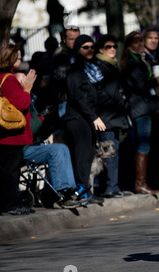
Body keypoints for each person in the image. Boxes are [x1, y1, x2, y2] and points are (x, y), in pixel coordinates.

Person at [63, 34, 104, 205]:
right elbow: (76, 97)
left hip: (87, 119)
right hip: (77, 119)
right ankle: (81, 193)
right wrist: (93, 116)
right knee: (81, 157)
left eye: (92, 47)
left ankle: (86, 191)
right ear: (77, 49)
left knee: (87, 156)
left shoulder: (92, 68)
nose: (89, 50)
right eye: (85, 47)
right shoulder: (75, 70)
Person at [0, 43, 37, 215]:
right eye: (19, 57)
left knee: (8, 170)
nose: (21, 60)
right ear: (11, 58)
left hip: (4, 134)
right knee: (11, 172)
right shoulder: (9, 79)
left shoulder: (1, 77)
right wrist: (27, 89)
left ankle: (8, 204)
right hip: (12, 134)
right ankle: (10, 205)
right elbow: (21, 103)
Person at [120, 31, 159, 195]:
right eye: (136, 42)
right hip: (140, 108)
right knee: (143, 143)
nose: (140, 44)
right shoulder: (133, 63)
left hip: (142, 107)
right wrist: (155, 80)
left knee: (143, 143)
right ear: (129, 45)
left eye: (141, 41)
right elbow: (141, 85)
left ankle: (141, 181)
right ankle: (140, 183)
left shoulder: (138, 60)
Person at [94, 34, 130, 198]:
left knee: (113, 152)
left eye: (114, 46)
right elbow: (99, 93)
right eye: (109, 47)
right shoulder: (98, 66)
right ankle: (109, 187)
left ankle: (113, 186)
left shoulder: (112, 65)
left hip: (114, 117)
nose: (113, 50)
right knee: (108, 153)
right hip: (105, 117)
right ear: (101, 49)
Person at [51, 26, 80, 119]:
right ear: (64, 39)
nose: (75, 42)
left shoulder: (80, 52)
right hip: (66, 100)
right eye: (71, 39)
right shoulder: (60, 55)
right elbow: (59, 76)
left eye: (77, 39)